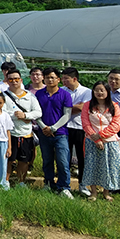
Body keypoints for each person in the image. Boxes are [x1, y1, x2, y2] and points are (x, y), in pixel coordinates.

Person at [81, 81, 120, 200]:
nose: (99, 93)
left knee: (109, 166)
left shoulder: (114, 106)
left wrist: (101, 136)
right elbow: (85, 122)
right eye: (96, 90)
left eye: (102, 90)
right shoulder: (87, 105)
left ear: (107, 92)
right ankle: (93, 192)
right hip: (91, 140)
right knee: (92, 165)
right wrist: (95, 138)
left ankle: (106, 192)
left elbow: (116, 125)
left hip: (110, 141)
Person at [35, 67, 74, 198]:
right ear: (43, 79)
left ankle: (64, 187)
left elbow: (67, 114)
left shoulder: (65, 94)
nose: (49, 80)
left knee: (63, 161)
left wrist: (53, 128)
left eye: (52, 77)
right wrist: (43, 127)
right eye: (47, 77)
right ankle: (48, 183)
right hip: (43, 132)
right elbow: (36, 113)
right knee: (47, 160)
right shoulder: (39, 94)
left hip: (60, 133)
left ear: (58, 79)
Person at [1, 69, 42, 187]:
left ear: (21, 80)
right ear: (7, 81)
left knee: (24, 160)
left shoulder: (29, 96)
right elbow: (1, 112)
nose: (14, 82)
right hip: (10, 132)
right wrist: (16, 115)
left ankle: (21, 182)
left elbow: (38, 112)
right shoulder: (4, 96)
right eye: (11, 79)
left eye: (16, 79)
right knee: (9, 158)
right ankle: (6, 182)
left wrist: (26, 115)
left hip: (26, 132)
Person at [61, 67, 92, 196]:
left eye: (66, 79)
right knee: (64, 157)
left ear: (74, 79)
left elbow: (83, 108)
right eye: (62, 79)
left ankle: (83, 185)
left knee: (82, 157)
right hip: (64, 127)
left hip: (80, 128)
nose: (63, 82)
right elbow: (59, 107)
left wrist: (67, 107)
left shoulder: (87, 92)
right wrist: (74, 107)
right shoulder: (61, 91)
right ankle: (64, 185)